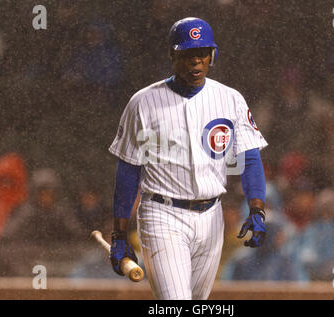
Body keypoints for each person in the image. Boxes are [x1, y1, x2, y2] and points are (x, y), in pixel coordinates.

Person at [108, 17, 268, 300]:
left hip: (211, 216)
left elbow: (250, 158)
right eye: (187, 54)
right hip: (162, 213)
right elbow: (128, 169)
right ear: (173, 55)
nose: (196, 62)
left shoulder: (230, 99)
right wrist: (120, 232)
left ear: (212, 55)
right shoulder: (143, 102)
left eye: (202, 53)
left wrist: (257, 208)